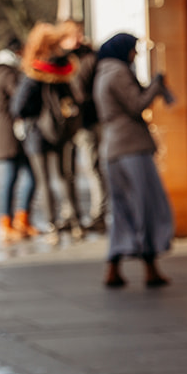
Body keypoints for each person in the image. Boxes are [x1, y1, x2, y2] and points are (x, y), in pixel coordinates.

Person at [92, 33, 175, 288]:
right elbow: (136, 104)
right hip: (132, 147)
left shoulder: (102, 72)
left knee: (122, 210)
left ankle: (114, 267)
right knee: (145, 205)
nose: (135, 55)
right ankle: (150, 268)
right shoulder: (118, 72)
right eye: (133, 50)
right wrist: (156, 86)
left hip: (113, 149)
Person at [11, 21, 86, 241]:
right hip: (62, 131)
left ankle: (52, 224)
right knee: (65, 176)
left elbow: (18, 106)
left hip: (37, 133)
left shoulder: (33, 71)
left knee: (44, 181)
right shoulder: (65, 68)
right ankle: (75, 220)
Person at [0, 36, 36, 241]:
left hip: (4, 132)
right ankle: (16, 220)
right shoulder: (10, 74)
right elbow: (20, 99)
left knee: (13, 176)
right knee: (24, 176)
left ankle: (11, 221)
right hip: (13, 132)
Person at [65, 21, 109, 233]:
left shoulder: (90, 58)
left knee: (92, 168)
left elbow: (82, 91)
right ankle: (70, 214)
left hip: (87, 121)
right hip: (65, 124)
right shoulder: (60, 58)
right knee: (67, 172)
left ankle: (98, 214)